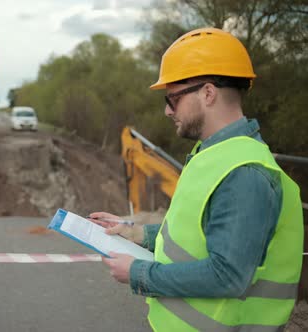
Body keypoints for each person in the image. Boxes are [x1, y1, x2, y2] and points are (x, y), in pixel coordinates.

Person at [89, 27, 303, 331]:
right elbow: (194, 235)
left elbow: (227, 276)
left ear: (208, 93)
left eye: (172, 98)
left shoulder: (245, 173)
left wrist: (139, 273)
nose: (166, 110)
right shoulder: (212, 154)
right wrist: (136, 234)